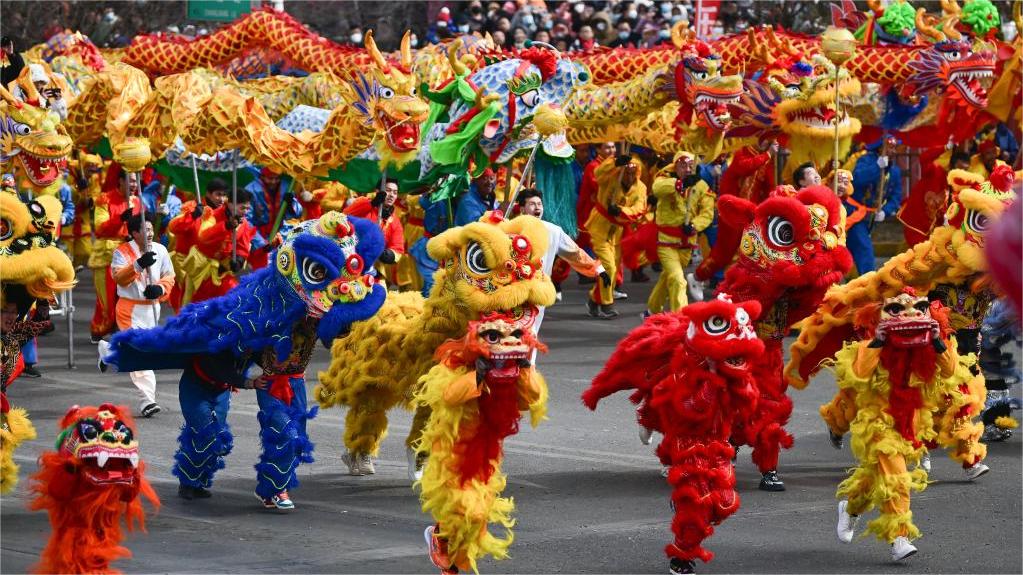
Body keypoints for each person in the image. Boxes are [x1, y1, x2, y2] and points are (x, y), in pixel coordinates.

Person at [517, 188, 608, 348]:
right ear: (522, 208)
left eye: (539, 204)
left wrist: (598, 270)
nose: (537, 208)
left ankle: (527, 369)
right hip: (513, 291)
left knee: (531, 332)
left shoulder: (553, 231)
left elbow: (575, 253)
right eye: (532, 204)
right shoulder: (511, 229)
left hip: (539, 292)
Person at [108, 213, 175, 417]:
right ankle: (148, 400)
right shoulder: (122, 252)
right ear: (134, 233)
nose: (149, 233)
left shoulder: (161, 250)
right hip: (130, 309)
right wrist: (138, 264)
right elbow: (119, 278)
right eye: (144, 230)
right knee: (140, 351)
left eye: (150, 229)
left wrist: (160, 290)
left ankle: (106, 350)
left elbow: (169, 276)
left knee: (145, 350)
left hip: (151, 309)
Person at [645, 152, 715, 316]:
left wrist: (694, 225)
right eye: (683, 165)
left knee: (667, 278)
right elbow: (657, 189)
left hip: (687, 244)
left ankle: (653, 310)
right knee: (678, 280)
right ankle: (681, 319)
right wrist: (679, 183)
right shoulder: (664, 180)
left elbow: (707, 213)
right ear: (675, 166)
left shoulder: (701, 186)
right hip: (666, 243)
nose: (687, 169)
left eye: (691, 165)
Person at [584, 154, 647, 319]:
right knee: (609, 267)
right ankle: (607, 304)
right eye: (627, 171)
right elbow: (598, 174)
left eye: (634, 172)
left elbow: (640, 209)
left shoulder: (641, 188)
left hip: (618, 232)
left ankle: (593, 299)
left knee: (612, 269)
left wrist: (621, 211)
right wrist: (614, 163)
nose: (630, 175)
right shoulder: (611, 177)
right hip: (600, 226)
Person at [191, 189, 268, 302]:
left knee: (234, 299)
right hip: (201, 269)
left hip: (222, 272)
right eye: (243, 208)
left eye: (247, 208)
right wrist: (225, 226)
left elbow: (243, 245)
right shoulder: (213, 215)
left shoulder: (244, 223)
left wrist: (239, 260)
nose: (245, 211)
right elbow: (204, 237)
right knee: (197, 305)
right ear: (230, 204)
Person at [89, 163, 136, 343]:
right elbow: (100, 229)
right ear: (121, 181)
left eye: (136, 181)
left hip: (130, 255)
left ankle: (121, 328)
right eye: (130, 181)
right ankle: (99, 329)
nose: (133, 185)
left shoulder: (138, 201)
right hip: (107, 255)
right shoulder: (104, 199)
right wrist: (120, 219)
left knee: (127, 295)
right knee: (107, 297)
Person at [846, 138, 902, 275]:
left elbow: (896, 197)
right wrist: (877, 166)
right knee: (864, 249)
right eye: (889, 147)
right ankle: (869, 282)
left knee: (855, 248)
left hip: (871, 217)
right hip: (854, 213)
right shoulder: (865, 160)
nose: (892, 151)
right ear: (879, 148)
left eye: (894, 148)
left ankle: (852, 280)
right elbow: (857, 180)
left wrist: (885, 211)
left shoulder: (894, 171)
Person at [344, 182, 405, 286]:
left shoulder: (395, 221)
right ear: (378, 191)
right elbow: (346, 215)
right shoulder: (364, 202)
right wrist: (372, 204)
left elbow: (398, 248)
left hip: (374, 270)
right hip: (350, 262)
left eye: (395, 192)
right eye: (388, 190)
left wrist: (387, 254)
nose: (391, 195)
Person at [719, 138, 777, 203]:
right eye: (763, 138)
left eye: (768, 140)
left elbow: (769, 186)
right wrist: (768, 154)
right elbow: (745, 168)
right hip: (731, 202)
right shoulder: (742, 151)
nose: (766, 142)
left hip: (751, 206)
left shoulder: (766, 159)